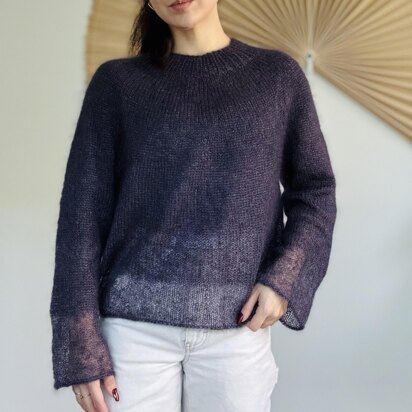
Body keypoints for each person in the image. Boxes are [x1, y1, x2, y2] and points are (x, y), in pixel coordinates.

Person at [49, 0, 337, 411]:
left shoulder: (277, 78)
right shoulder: (116, 85)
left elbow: (315, 191)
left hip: (237, 329)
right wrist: (80, 340)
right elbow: (81, 217)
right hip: (131, 331)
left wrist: (283, 281)